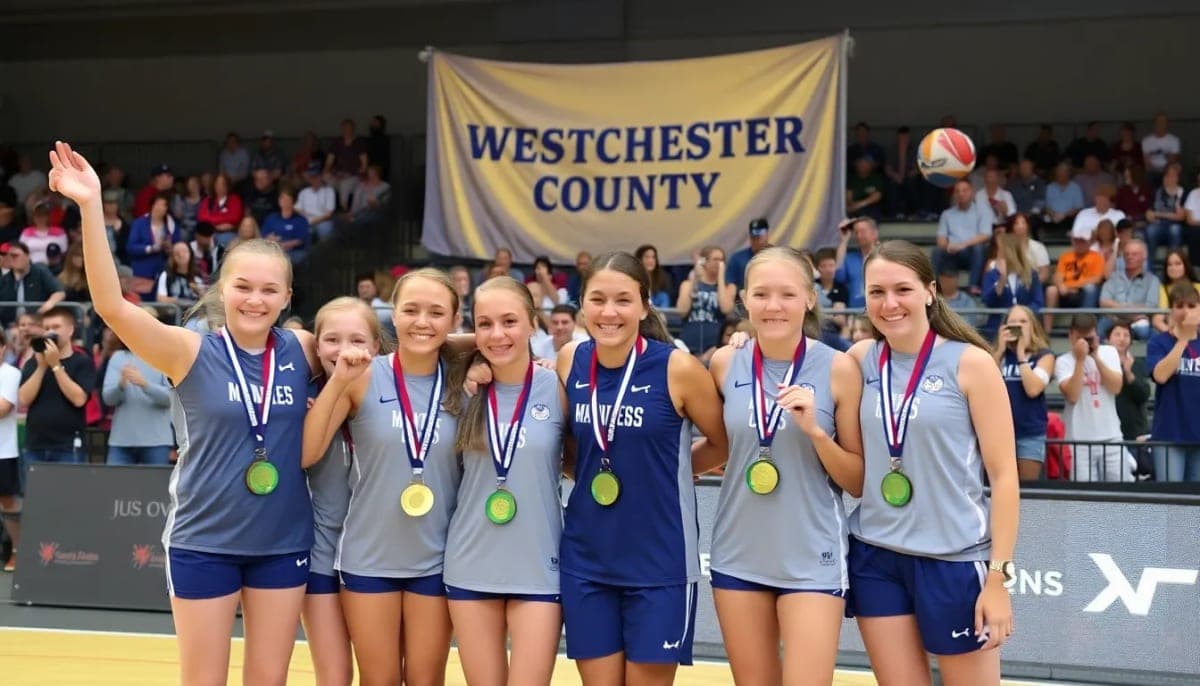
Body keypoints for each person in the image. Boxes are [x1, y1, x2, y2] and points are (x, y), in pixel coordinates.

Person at [49, 141, 320, 684]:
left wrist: (475, 357)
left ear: (287, 297)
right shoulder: (189, 350)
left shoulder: (303, 348)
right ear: (222, 289)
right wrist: (91, 205)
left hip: (283, 543)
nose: (255, 299)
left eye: (270, 290)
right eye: (243, 286)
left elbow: (396, 350)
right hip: (204, 542)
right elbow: (112, 306)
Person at [845, 240, 1017, 685]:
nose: (889, 303)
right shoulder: (860, 359)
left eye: (902, 289)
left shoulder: (971, 364)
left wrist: (997, 579)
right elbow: (793, 362)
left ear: (930, 291)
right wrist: (748, 339)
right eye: (876, 292)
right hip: (875, 554)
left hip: (954, 559)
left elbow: (1003, 477)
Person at [556, 252, 728, 685]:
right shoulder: (569, 360)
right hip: (587, 557)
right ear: (582, 303)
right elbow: (569, 445)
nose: (609, 312)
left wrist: (671, 471)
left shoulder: (678, 368)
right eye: (597, 299)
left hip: (660, 562)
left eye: (623, 300)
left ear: (644, 306)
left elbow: (724, 441)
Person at [708, 247, 864, 685]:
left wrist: (816, 431)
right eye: (761, 294)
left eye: (787, 294)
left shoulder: (839, 368)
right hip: (738, 555)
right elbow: (716, 448)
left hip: (812, 556)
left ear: (810, 299)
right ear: (744, 300)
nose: (773, 305)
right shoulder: (724, 363)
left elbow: (855, 481)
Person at [302, 268, 463, 686]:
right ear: (393, 314)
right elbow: (307, 452)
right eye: (410, 310)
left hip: (437, 559)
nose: (422, 321)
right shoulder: (364, 374)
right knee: (380, 680)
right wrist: (338, 381)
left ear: (454, 319)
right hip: (369, 558)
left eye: (435, 312)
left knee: (427, 680)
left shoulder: (464, 381)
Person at [442, 277, 568, 686]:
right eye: (485, 323)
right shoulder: (463, 388)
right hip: (470, 563)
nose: (497, 334)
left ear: (534, 324)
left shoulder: (558, 385)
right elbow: (426, 341)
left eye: (510, 321)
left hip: (538, 565)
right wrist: (476, 353)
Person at [302, 296, 385, 686]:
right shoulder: (301, 394)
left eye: (357, 339)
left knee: (383, 672)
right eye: (331, 339)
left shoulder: (393, 390)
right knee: (334, 676)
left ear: (378, 346)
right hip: (322, 555)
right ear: (315, 346)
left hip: (380, 558)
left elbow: (441, 345)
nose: (345, 349)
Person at [1054, 314, 1130, 482]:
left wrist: (1095, 356)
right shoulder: (1063, 361)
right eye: (1079, 338)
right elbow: (1072, 395)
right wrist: (1080, 360)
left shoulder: (1109, 352)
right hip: (1078, 440)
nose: (1084, 342)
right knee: (1083, 496)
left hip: (1111, 436)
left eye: (1088, 338)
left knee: (1121, 491)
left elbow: (1116, 387)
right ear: (1071, 336)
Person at [18, 305, 95, 464]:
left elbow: (79, 399)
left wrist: (56, 365)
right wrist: (41, 367)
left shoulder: (82, 361)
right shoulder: (34, 362)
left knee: (69, 489)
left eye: (56, 327)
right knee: (34, 490)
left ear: (70, 330)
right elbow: (24, 399)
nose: (50, 332)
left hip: (68, 446)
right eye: (46, 328)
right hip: (35, 445)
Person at [993, 306, 1054, 482]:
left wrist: (1021, 354)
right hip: (999, 434)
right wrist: (999, 351)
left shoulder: (1044, 356)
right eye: (1012, 323)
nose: (1017, 326)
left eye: (1023, 322)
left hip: (1029, 434)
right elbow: (985, 383)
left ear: (1032, 326)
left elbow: (1033, 389)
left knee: (1027, 492)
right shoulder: (998, 357)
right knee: (1000, 486)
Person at [1147, 283, 1200, 482]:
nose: (1185, 311)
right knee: (1171, 502)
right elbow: (1160, 376)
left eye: (1191, 305)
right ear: (1171, 310)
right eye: (1179, 305)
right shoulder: (1158, 342)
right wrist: (1183, 340)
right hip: (1170, 433)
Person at [102, 334, 173, 465]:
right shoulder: (118, 358)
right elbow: (108, 399)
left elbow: (172, 398)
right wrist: (120, 385)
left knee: (155, 485)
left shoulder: (164, 357)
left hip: (157, 442)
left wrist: (145, 384)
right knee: (113, 485)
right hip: (121, 441)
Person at [676, 245, 736, 356]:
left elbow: (726, 308)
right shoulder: (687, 284)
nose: (719, 263)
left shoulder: (729, 287)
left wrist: (721, 277)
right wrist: (695, 278)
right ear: (704, 261)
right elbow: (682, 311)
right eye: (715, 259)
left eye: (722, 260)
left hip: (715, 346)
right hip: (689, 342)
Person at [981, 233, 1043, 339]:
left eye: (1000, 251)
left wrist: (1019, 314)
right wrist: (1002, 279)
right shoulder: (991, 275)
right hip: (998, 328)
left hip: (1025, 327)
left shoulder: (1031, 274)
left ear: (1010, 253)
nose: (997, 255)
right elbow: (988, 302)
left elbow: (1038, 302)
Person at [0, 330, 21, 573]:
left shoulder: (11, 373)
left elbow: (3, 408)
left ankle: (17, 550)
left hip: (4, 452)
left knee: (8, 503)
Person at [634, 244, 673, 309]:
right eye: (647, 257)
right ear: (639, 259)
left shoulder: (664, 277)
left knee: (664, 296)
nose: (651, 260)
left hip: (657, 314)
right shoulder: (633, 277)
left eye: (653, 257)